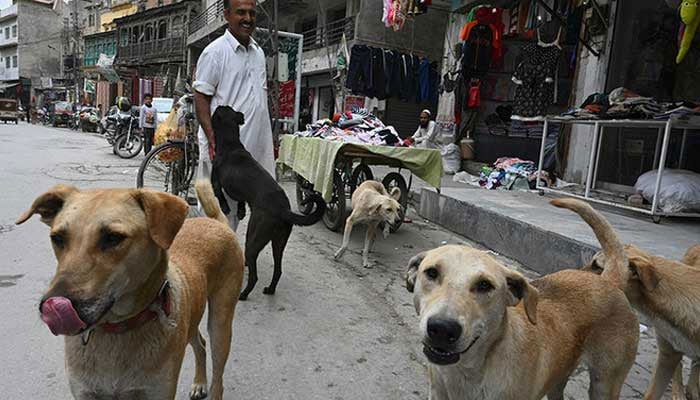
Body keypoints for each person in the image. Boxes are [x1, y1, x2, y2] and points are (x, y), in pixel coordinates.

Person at [193, 0, 274, 231]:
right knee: (216, 207)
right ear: (227, 15)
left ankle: (227, 258)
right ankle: (210, 261)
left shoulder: (258, 52)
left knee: (241, 206)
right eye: (240, 12)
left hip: (251, 146)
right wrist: (212, 139)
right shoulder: (215, 52)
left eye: (251, 13)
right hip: (224, 148)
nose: (247, 18)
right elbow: (201, 98)